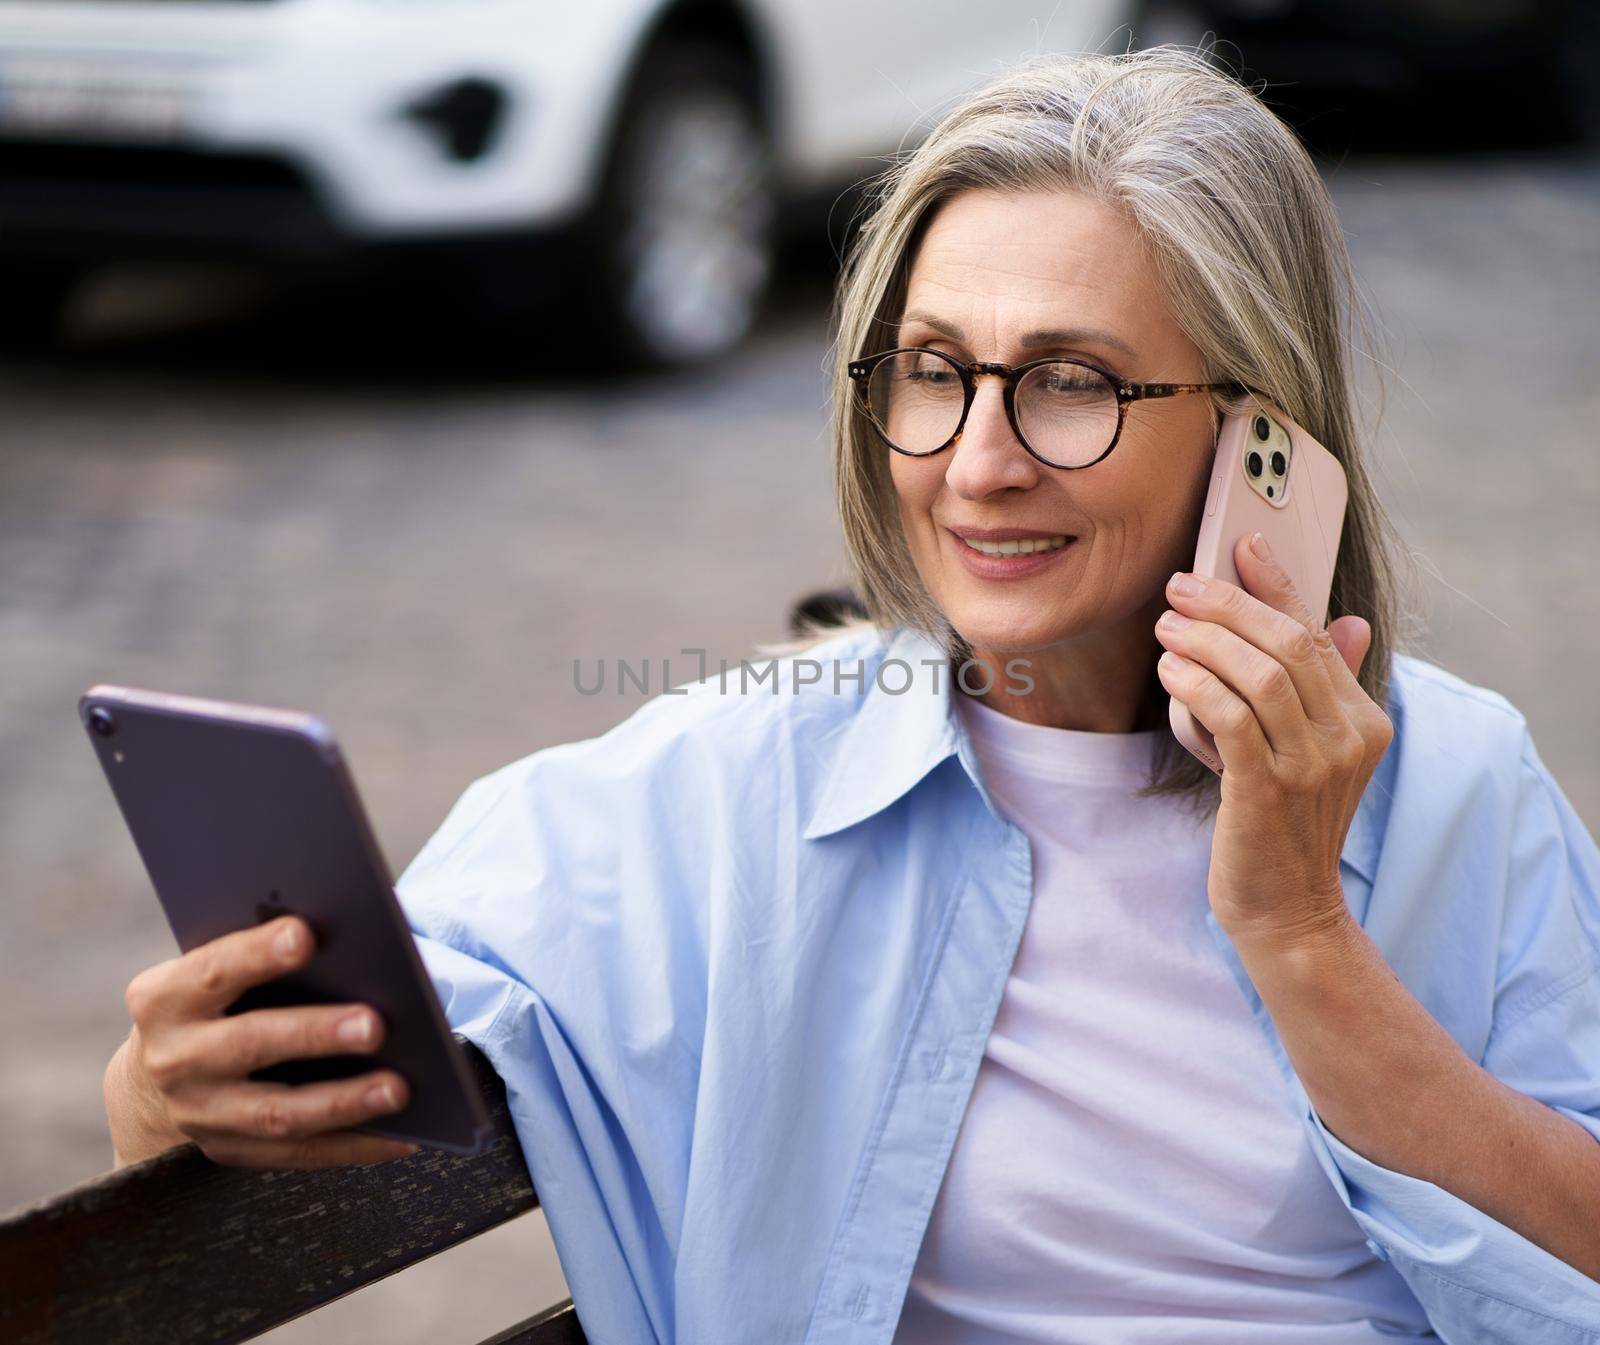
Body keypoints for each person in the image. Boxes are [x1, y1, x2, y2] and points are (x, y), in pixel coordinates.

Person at [101, 45, 1600, 1345]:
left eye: (1074, 381)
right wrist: (170, 1087)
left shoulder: (1462, 781)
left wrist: (1301, 938)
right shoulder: (728, 786)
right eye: (934, 368)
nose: (978, 459)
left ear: (1260, 430)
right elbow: (307, 1066)